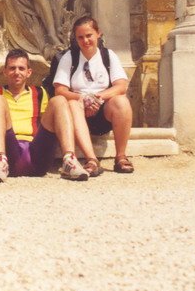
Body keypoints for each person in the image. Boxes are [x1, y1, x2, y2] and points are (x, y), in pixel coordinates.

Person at [0, 49, 89, 183]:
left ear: (28, 72)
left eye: (21, 68)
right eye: (12, 68)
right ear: (5, 71)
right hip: (9, 149)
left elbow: (50, 123)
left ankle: (69, 160)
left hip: (37, 154)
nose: (17, 72)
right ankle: (0, 161)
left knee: (59, 100)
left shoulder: (40, 93)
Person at [53, 16, 134, 175]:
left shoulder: (108, 55)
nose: (85, 41)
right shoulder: (69, 57)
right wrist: (83, 99)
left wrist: (97, 98)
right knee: (72, 105)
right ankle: (91, 159)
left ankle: (121, 156)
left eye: (89, 35)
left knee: (121, 102)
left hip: (103, 110)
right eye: (80, 37)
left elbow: (121, 86)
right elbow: (60, 90)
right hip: (78, 110)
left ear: (98, 33)